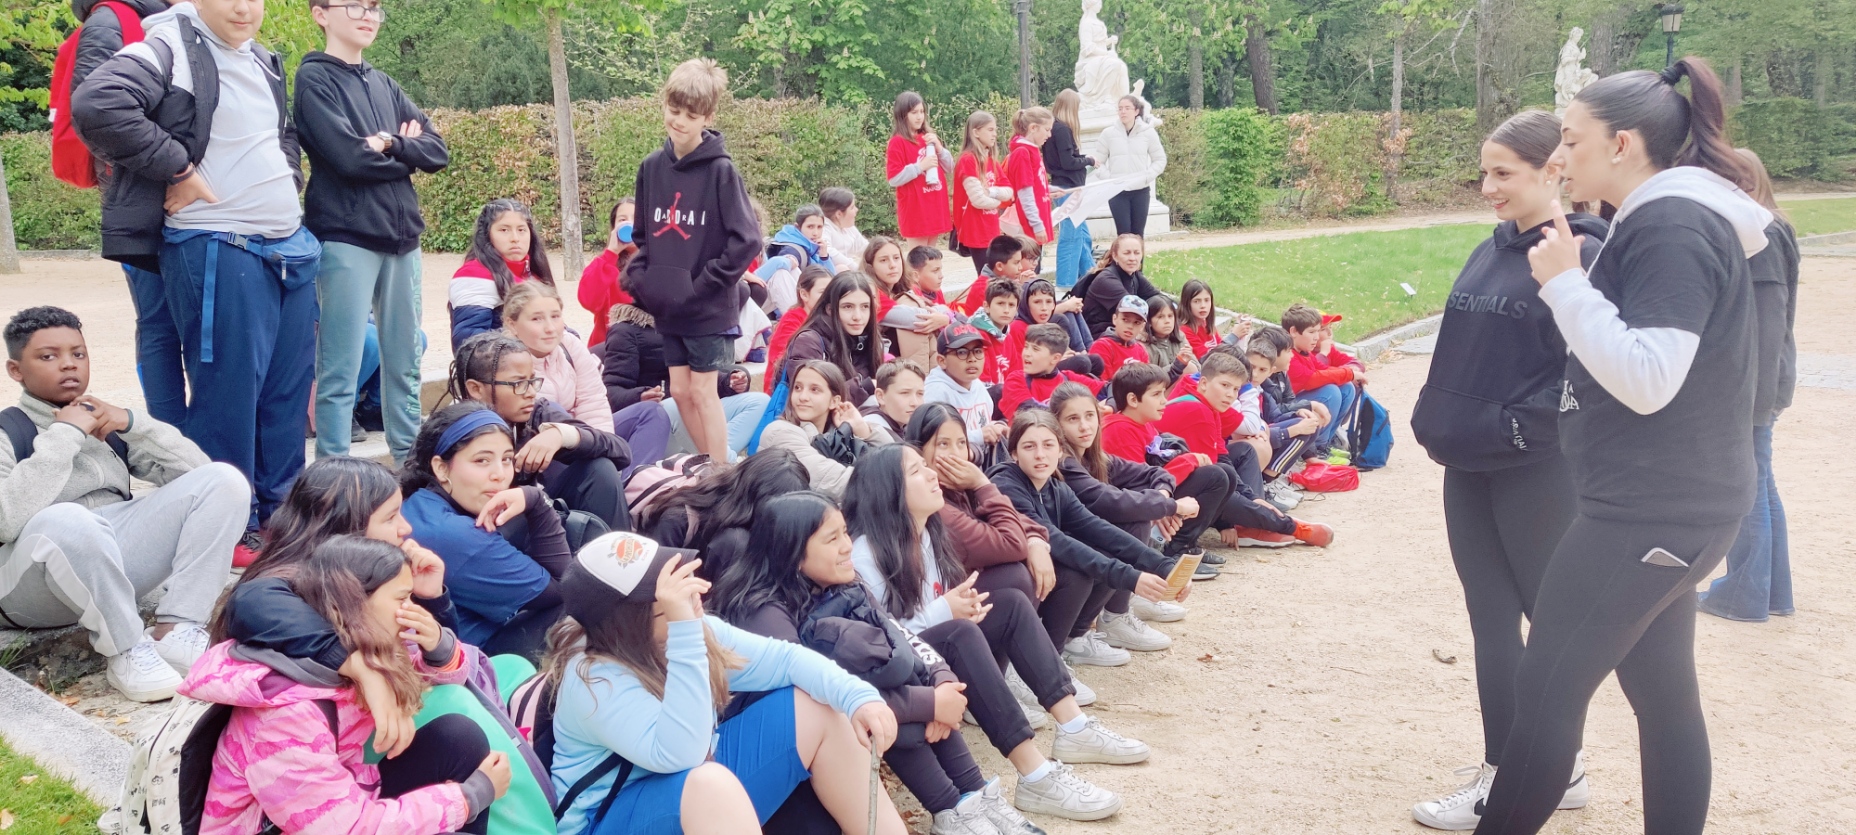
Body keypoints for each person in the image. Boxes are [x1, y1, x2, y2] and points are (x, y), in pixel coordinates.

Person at [1469, 58, 1772, 835]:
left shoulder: (1673, 225)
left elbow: (1649, 377)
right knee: (1663, 694)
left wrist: (1566, 283)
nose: (1559, 155)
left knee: (1545, 693)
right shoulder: (1672, 217)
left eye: (1571, 139)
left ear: (1623, 144)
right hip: (1675, 506)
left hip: (1648, 513)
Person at [1400, 109, 1609, 832]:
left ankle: (1524, 772)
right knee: (1489, 622)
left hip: (1535, 471)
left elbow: (1590, 368)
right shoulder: (1488, 250)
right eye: (1483, 172)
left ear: (1553, 170)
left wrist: (1519, 426)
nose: (1488, 186)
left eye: (1503, 173)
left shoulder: (1582, 254)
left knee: (1546, 627)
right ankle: (1534, 766)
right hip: (1467, 463)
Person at [71, 0, 317, 532]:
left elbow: (282, 134)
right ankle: (230, 526)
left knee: (286, 397)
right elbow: (97, 102)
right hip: (219, 245)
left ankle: (286, 523)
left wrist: (285, 180)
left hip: (288, 249)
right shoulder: (168, 45)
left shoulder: (262, 58)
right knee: (227, 401)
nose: (244, 7)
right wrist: (178, 168)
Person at [845, 445, 1141, 821]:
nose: (933, 473)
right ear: (888, 491)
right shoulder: (865, 556)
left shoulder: (927, 533)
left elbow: (1009, 541)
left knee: (1010, 604)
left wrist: (960, 608)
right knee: (960, 633)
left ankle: (1075, 725)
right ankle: (1036, 775)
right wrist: (946, 612)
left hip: (932, 654)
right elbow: (882, 640)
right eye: (916, 471)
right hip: (900, 672)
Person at [710, 492, 1034, 834]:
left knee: (910, 669)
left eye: (845, 532)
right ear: (792, 554)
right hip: (784, 761)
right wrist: (929, 704)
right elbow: (812, 695)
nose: (847, 546)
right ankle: (952, 811)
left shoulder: (841, 584)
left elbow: (899, 637)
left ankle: (974, 796)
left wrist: (942, 680)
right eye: (832, 539)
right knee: (891, 717)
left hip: (838, 728)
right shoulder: (762, 612)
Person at [543, 532, 907, 835]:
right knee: (709, 786)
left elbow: (785, 660)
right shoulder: (591, 678)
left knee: (820, 706)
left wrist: (859, 698)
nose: (691, 591)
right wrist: (685, 630)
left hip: (687, 786)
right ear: (630, 618)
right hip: (607, 818)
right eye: (667, 591)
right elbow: (684, 754)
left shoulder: (673, 631)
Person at [182, 536, 510, 834]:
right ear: (354, 604)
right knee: (468, 789)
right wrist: (468, 798)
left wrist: (437, 644)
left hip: (338, 798)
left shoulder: (353, 656)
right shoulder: (288, 714)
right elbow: (346, 828)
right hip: (307, 825)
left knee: (458, 738)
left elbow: (440, 679)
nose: (411, 609)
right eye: (402, 598)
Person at [0, 306, 248, 702]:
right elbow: (6, 520)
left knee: (225, 479)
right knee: (69, 519)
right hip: (29, 590)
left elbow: (199, 476)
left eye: (78, 354)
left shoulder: (105, 424)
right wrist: (66, 433)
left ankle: (178, 628)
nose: (69, 365)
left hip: (109, 569)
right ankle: (127, 651)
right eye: (48, 356)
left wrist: (135, 423)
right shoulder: (7, 430)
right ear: (16, 370)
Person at [296, 0, 447, 462]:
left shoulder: (385, 83)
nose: (368, 15)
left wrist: (389, 142)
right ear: (321, 14)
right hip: (346, 239)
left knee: (405, 364)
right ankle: (333, 470)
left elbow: (437, 151)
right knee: (339, 368)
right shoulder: (313, 80)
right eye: (355, 5)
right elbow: (349, 159)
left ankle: (410, 463)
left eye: (376, 8)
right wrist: (405, 156)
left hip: (404, 241)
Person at [621, 58, 763, 465]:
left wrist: (702, 285)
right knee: (680, 391)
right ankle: (710, 465)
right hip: (669, 306)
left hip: (707, 306)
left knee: (703, 391)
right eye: (674, 110)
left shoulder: (721, 171)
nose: (679, 121)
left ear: (708, 117)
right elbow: (644, 236)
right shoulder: (651, 167)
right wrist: (647, 282)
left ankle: (720, 473)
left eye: (691, 114)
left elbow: (748, 240)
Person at [986, 409, 1188, 670]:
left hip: (1032, 579)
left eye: (1048, 445)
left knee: (1105, 552)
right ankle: (1041, 664)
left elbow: (1096, 528)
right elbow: (1057, 541)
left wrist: (1162, 565)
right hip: (1003, 585)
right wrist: (1132, 578)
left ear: (1060, 450)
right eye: (1029, 446)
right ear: (1014, 453)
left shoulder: (1054, 486)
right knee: (1076, 572)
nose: (1040, 454)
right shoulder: (1006, 484)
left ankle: (1071, 640)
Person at [66, 0, 187, 425]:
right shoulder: (110, 20)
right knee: (158, 323)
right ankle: (170, 432)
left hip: (182, 191)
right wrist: (166, 169)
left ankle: (195, 437)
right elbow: (94, 118)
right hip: (142, 200)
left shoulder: (184, 18)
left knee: (191, 323)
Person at [1698, 149, 1799, 624]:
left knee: (1748, 486)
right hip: (1764, 378)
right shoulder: (1770, 229)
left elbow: (1767, 320)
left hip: (1757, 382)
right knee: (1761, 482)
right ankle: (1769, 591)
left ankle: (1743, 594)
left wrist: (1751, 396)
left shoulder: (1763, 237)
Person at [398, 402, 570, 659]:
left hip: (443, 646)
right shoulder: (455, 534)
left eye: (507, 459)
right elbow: (564, 589)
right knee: (584, 604)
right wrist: (536, 502)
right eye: (482, 461)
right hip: (476, 659)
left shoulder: (419, 501)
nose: (499, 475)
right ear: (441, 468)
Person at [449, 332, 632, 532]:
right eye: (518, 384)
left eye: (532, 381)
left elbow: (620, 450)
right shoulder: (452, 432)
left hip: (539, 513)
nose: (531, 392)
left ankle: (620, 549)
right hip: (482, 528)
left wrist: (561, 435)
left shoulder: (536, 413)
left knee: (600, 469)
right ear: (476, 389)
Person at [1156, 352, 1335, 549]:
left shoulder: (1209, 404)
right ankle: (1290, 527)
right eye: (1225, 385)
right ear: (1204, 383)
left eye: (1236, 389)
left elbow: (1222, 457)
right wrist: (1227, 523)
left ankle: (1256, 523)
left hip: (1185, 475)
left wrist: (1253, 497)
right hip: (1165, 486)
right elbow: (1215, 482)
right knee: (1220, 479)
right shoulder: (1198, 410)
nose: (1230, 394)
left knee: (1243, 451)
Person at [502, 282, 671, 474]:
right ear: (512, 324)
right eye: (536, 319)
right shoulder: (506, 361)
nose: (550, 328)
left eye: (555, 316)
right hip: (542, 448)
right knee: (554, 410)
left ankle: (632, 482)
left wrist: (603, 449)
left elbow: (593, 400)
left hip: (585, 435)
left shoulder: (569, 345)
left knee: (651, 412)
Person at [449, 199, 553, 352]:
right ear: (487, 235)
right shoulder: (474, 276)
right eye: (504, 230)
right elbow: (470, 342)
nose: (515, 238)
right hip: (502, 363)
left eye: (521, 230)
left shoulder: (534, 274)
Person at [757, 360, 872, 499]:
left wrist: (862, 428)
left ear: (834, 401)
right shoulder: (780, 432)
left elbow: (888, 458)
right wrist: (886, 484)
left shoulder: (836, 434)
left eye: (814, 390)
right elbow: (829, 479)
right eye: (797, 388)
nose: (803, 397)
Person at [779, 271, 885, 405]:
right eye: (848, 307)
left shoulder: (867, 340)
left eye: (865, 307)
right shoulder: (808, 342)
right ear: (830, 309)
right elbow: (809, 399)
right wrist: (865, 387)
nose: (857, 316)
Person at [1281, 304, 1361, 448]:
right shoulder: (1288, 354)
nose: (1316, 337)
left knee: (1346, 387)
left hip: (1299, 401)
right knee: (1330, 392)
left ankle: (1328, 442)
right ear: (1293, 331)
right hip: (1284, 408)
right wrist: (1349, 373)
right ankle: (1318, 447)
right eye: (1312, 332)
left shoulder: (1304, 352)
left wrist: (1350, 373)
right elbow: (1312, 378)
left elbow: (1323, 369)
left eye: (1319, 331)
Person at [923, 326, 1009, 454]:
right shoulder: (935, 392)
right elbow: (935, 438)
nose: (972, 359)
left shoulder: (977, 385)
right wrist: (978, 436)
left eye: (978, 351)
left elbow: (981, 424)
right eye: (962, 352)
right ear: (942, 361)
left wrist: (996, 427)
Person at [1043, 90, 1097, 291]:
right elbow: (1068, 162)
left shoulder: (1053, 128)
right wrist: (1088, 160)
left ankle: (1091, 276)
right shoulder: (1063, 129)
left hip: (1064, 185)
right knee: (1071, 236)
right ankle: (1066, 282)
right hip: (1068, 188)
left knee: (1082, 236)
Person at [887, 91, 954, 253]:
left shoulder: (928, 138)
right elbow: (894, 178)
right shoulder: (897, 142)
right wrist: (919, 167)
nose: (919, 117)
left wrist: (939, 148)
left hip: (934, 204)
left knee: (930, 256)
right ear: (903, 115)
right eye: (914, 113)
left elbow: (950, 167)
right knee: (918, 258)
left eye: (922, 112)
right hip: (916, 209)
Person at [1093, 95, 1166, 237]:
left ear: (1136, 111)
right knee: (1123, 235)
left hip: (1140, 191)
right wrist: (1110, 179)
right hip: (1117, 192)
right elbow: (1097, 163)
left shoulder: (1148, 132)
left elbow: (1160, 159)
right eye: (1120, 108)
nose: (1123, 112)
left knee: (1138, 234)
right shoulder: (1108, 134)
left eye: (1127, 108)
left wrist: (1147, 176)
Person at [951, 111, 1014, 276]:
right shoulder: (968, 159)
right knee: (986, 277)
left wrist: (992, 192)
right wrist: (999, 201)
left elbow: (1009, 191)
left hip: (991, 227)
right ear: (976, 132)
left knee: (996, 276)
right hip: (976, 229)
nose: (994, 134)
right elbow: (978, 200)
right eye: (990, 130)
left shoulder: (991, 160)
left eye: (995, 130)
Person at [999, 324, 1102, 418]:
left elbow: (1107, 388)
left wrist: (1108, 404)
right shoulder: (1016, 379)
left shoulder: (1068, 378)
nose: (1027, 353)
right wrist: (1072, 414)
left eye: (1035, 349)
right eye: (1026, 347)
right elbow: (1029, 410)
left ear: (1055, 358)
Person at [757, 204, 840, 314]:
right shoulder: (793, 250)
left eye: (819, 227)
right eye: (810, 227)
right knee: (783, 272)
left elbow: (830, 281)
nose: (815, 233)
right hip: (772, 306)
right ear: (798, 227)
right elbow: (779, 286)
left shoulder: (811, 248)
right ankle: (796, 318)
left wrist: (824, 256)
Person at [579, 199, 638, 349]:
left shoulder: (659, 262)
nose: (630, 224)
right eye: (622, 220)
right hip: (608, 348)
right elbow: (588, 301)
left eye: (636, 218)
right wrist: (611, 252)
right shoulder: (605, 263)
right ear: (614, 227)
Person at [765, 265, 833, 394]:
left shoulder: (828, 319)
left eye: (832, 292)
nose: (829, 298)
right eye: (823, 292)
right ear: (804, 294)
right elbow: (785, 366)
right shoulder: (791, 321)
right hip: (785, 389)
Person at [1077, 234, 1161, 339]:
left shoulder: (1134, 275)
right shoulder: (1106, 280)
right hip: (1099, 336)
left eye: (1137, 253)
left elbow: (1159, 298)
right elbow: (1134, 308)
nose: (1132, 258)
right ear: (1115, 256)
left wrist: (1171, 310)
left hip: (1123, 329)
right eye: (1126, 253)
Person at [1005, 109, 1056, 248]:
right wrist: (1037, 225)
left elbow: (1036, 185)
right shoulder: (1022, 153)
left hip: (1036, 219)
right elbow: (1025, 193)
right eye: (1047, 130)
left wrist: (1050, 190)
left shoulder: (1031, 151)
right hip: (1029, 224)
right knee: (1030, 259)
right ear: (1033, 128)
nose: (1049, 135)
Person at [863, 361, 926, 445]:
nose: (915, 403)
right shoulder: (868, 433)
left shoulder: (906, 426)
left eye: (920, 394)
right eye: (905, 393)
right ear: (880, 396)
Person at [1089, 295, 1152, 377]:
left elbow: (1147, 379)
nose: (1130, 326)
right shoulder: (1102, 346)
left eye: (1137, 322)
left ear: (1142, 327)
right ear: (1114, 319)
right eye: (1125, 320)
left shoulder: (1141, 350)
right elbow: (1101, 382)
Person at [1142, 294, 1197, 383]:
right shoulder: (1143, 346)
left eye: (1170, 316)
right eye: (1160, 317)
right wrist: (1179, 364)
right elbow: (1149, 381)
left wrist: (1188, 360)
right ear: (1149, 321)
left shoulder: (1180, 337)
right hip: (1160, 388)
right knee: (1188, 368)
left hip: (1183, 384)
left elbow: (1197, 367)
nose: (1167, 321)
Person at [819, 187, 868, 270]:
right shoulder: (823, 227)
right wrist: (855, 267)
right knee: (842, 268)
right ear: (839, 214)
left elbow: (865, 248)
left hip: (849, 272)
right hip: (828, 273)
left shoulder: (848, 227)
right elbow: (827, 250)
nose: (856, 210)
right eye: (852, 207)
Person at [1176, 280, 1223, 359]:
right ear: (1187, 304)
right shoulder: (1184, 330)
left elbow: (1222, 347)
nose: (1203, 305)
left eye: (1206, 300)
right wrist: (1234, 336)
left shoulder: (1207, 324)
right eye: (1196, 301)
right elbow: (1205, 359)